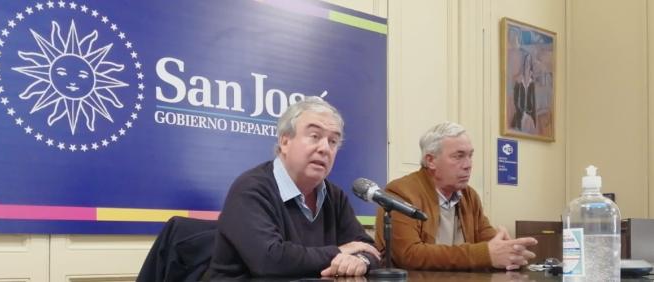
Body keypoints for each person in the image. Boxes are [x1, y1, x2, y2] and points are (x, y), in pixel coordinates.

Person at [209, 97, 380, 279]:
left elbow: (367, 248)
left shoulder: (334, 196)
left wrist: (361, 260)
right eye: (315, 136)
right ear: (285, 141)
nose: (324, 148)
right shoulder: (250, 189)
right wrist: (339, 251)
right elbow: (269, 260)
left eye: (333, 141)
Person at [374, 121, 537, 271]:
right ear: (431, 161)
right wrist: (484, 255)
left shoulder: (469, 196)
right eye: (458, 156)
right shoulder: (401, 192)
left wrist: (509, 249)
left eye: (470, 155)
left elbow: (487, 241)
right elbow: (409, 255)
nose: (468, 165)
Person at [511, 53, 537, 131]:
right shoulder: (519, 81)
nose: (527, 65)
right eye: (526, 62)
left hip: (529, 115)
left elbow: (533, 104)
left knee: (530, 125)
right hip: (520, 115)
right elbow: (516, 102)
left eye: (529, 63)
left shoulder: (532, 83)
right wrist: (522, 114)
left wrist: (531, 116)